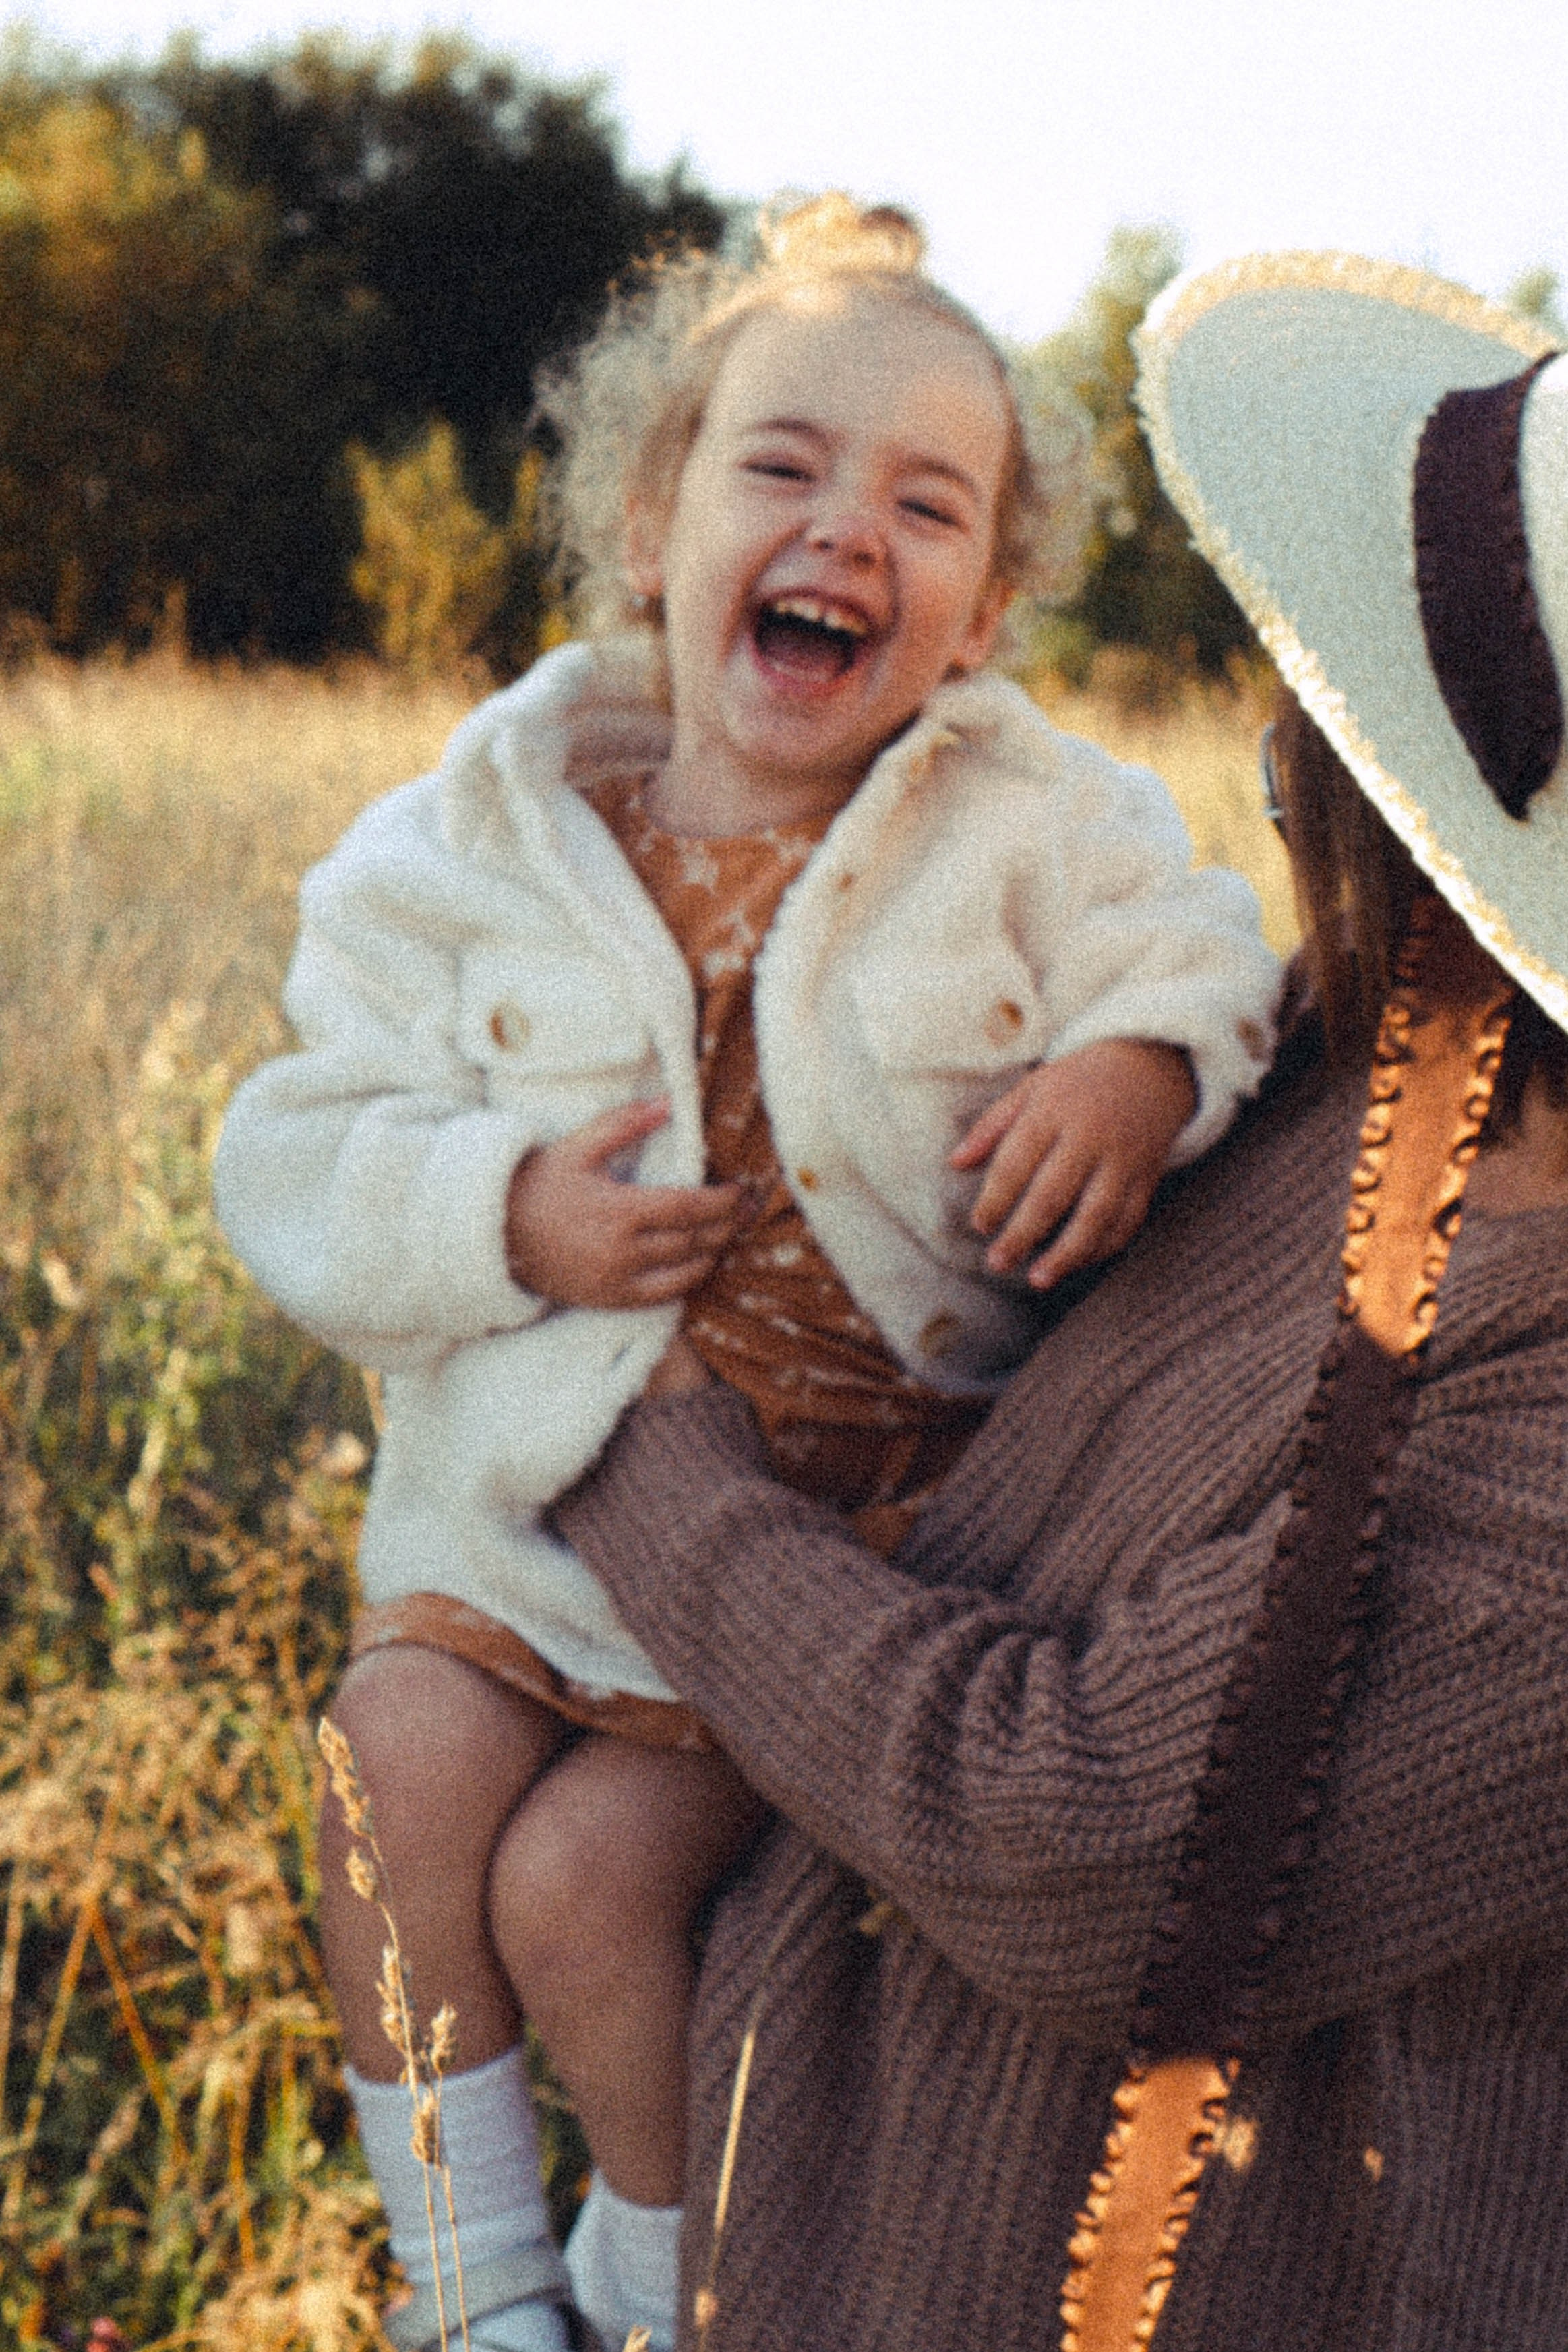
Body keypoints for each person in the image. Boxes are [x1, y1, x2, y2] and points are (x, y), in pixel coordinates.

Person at [213, 197, 1279, 2352]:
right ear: (652, 525)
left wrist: (1139, 1067)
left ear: (985, 611)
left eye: (927, 505)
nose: (846, 529)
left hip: (848, 1548)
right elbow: (292, 1150)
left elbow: (1209, 951)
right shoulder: (468, 841)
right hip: (531, 1511)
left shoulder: (1030, 820)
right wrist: (504, 1208)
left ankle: (651, 2278)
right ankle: (464, 2283)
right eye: (781, 466)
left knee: (584, 1883)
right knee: (388, 1758)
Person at [550, 253, 1568, 2351]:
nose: (1282, 760)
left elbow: (1080, 1842)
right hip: (815, 2245)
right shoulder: (1341, 1060)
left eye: (1331, 736)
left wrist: (637, 1440)